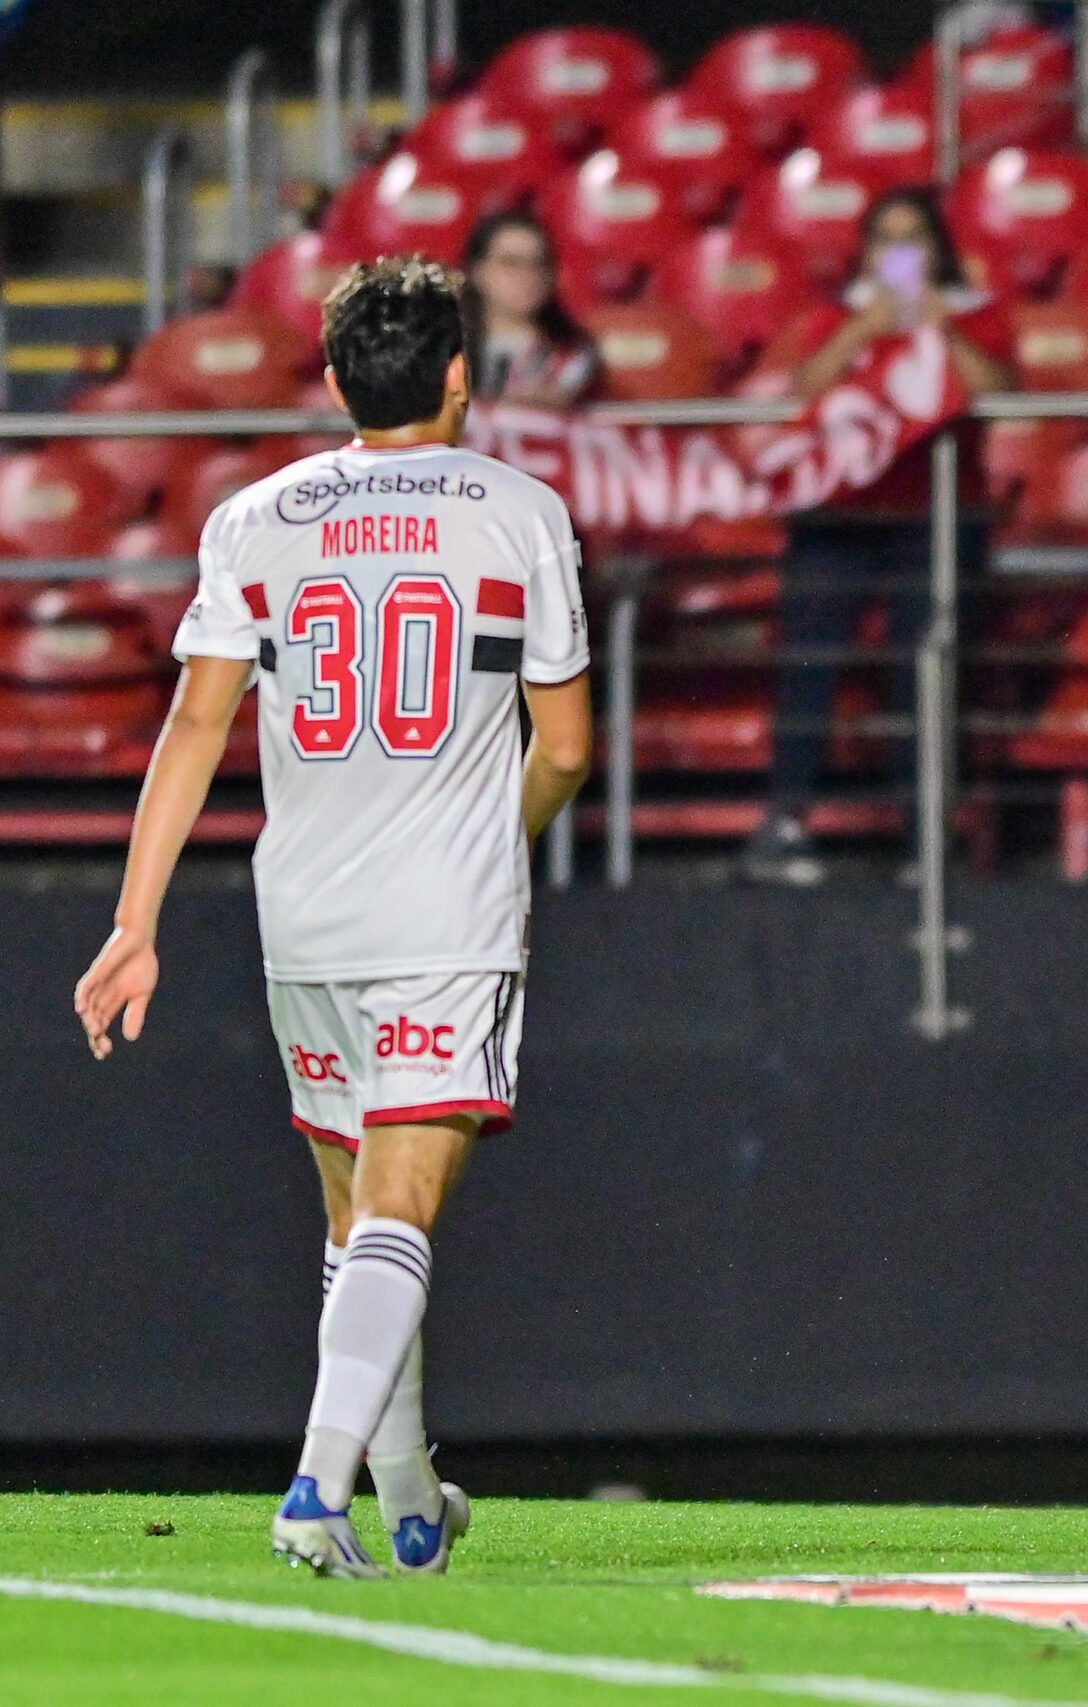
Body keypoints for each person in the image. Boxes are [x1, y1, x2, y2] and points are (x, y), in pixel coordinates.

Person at [73, 258, 593, 1576]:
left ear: (334, 380)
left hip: (301, 910)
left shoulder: (257, 516)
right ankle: (316, 1484)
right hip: (444, 912)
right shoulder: (519, 511)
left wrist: (136, 921)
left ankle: (410, 1489)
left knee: (359, 1216)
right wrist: (502, 828)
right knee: (400, 1209)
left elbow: (195, 721)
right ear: (463, 376)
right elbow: (570, 747)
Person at [742, 188, 1015, 885]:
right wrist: (864, 329)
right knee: (809, 656)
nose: (898, 255)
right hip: (840, 517)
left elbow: (999, 392)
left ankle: (924, 838)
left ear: (937, 249)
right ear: (863, 252)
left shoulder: (974, 314)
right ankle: (785, 822)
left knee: (920, 667)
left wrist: (940, 328)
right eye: (884, 239)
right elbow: (807, 390)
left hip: (936, 516)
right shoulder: (838, 314)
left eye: (913, 238)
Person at [460, 211, 597, 408]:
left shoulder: (570, 353)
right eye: (511, 263)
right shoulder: (443, 351)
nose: (527, 275)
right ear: (478, 271)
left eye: (538, 264)